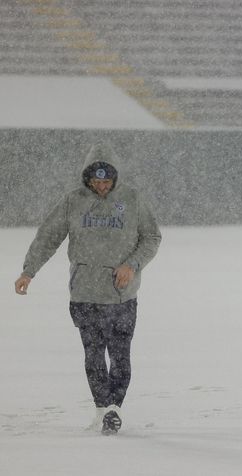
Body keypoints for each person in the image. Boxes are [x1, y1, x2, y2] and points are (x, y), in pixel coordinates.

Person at [14, 144, 162, 435]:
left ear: (115, 178)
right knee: (93, 354)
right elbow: (48, 237)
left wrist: (131, 264)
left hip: (122, 295)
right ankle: (103, 409)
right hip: (84, 295)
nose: (102, 186)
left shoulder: (132, 200)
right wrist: (28, 271)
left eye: (107, 181)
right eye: (96, 181)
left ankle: (113, 409)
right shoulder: (73, 201)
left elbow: (152, 237)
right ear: (87, 178)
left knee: (120, 355)